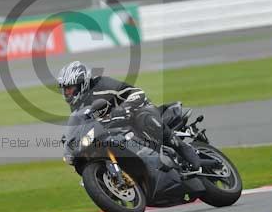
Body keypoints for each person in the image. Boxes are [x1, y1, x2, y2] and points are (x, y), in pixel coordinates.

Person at [57, 61, 200, 171]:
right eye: (65, 89)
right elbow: (83, 122)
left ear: (82, 83)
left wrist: (123, 109)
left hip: (138, 110)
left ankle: (181, 147)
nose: (67, 93)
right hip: (114, 126)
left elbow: (137, 93)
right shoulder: (77, 105)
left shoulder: (102, 84)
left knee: (144, 117)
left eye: (69, 88)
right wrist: (71, 139)